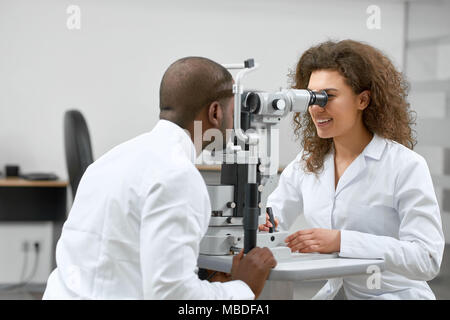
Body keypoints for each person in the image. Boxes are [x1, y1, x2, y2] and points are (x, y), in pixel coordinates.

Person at [43, 56, 276, 300]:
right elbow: (171, 295)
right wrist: (242, 288)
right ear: (215, 112)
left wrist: (207, 283)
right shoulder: (178, 175)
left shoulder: (108, 160)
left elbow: (123, 261)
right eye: (232, 110)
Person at [259, 40, 444, 299]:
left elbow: (426, 259)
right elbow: (273, 218)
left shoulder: (405, 166)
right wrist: (262, 226)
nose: (316, 106)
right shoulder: (308, 162)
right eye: (311, 96)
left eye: (328, 96)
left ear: (363, 100)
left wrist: (342, 241)